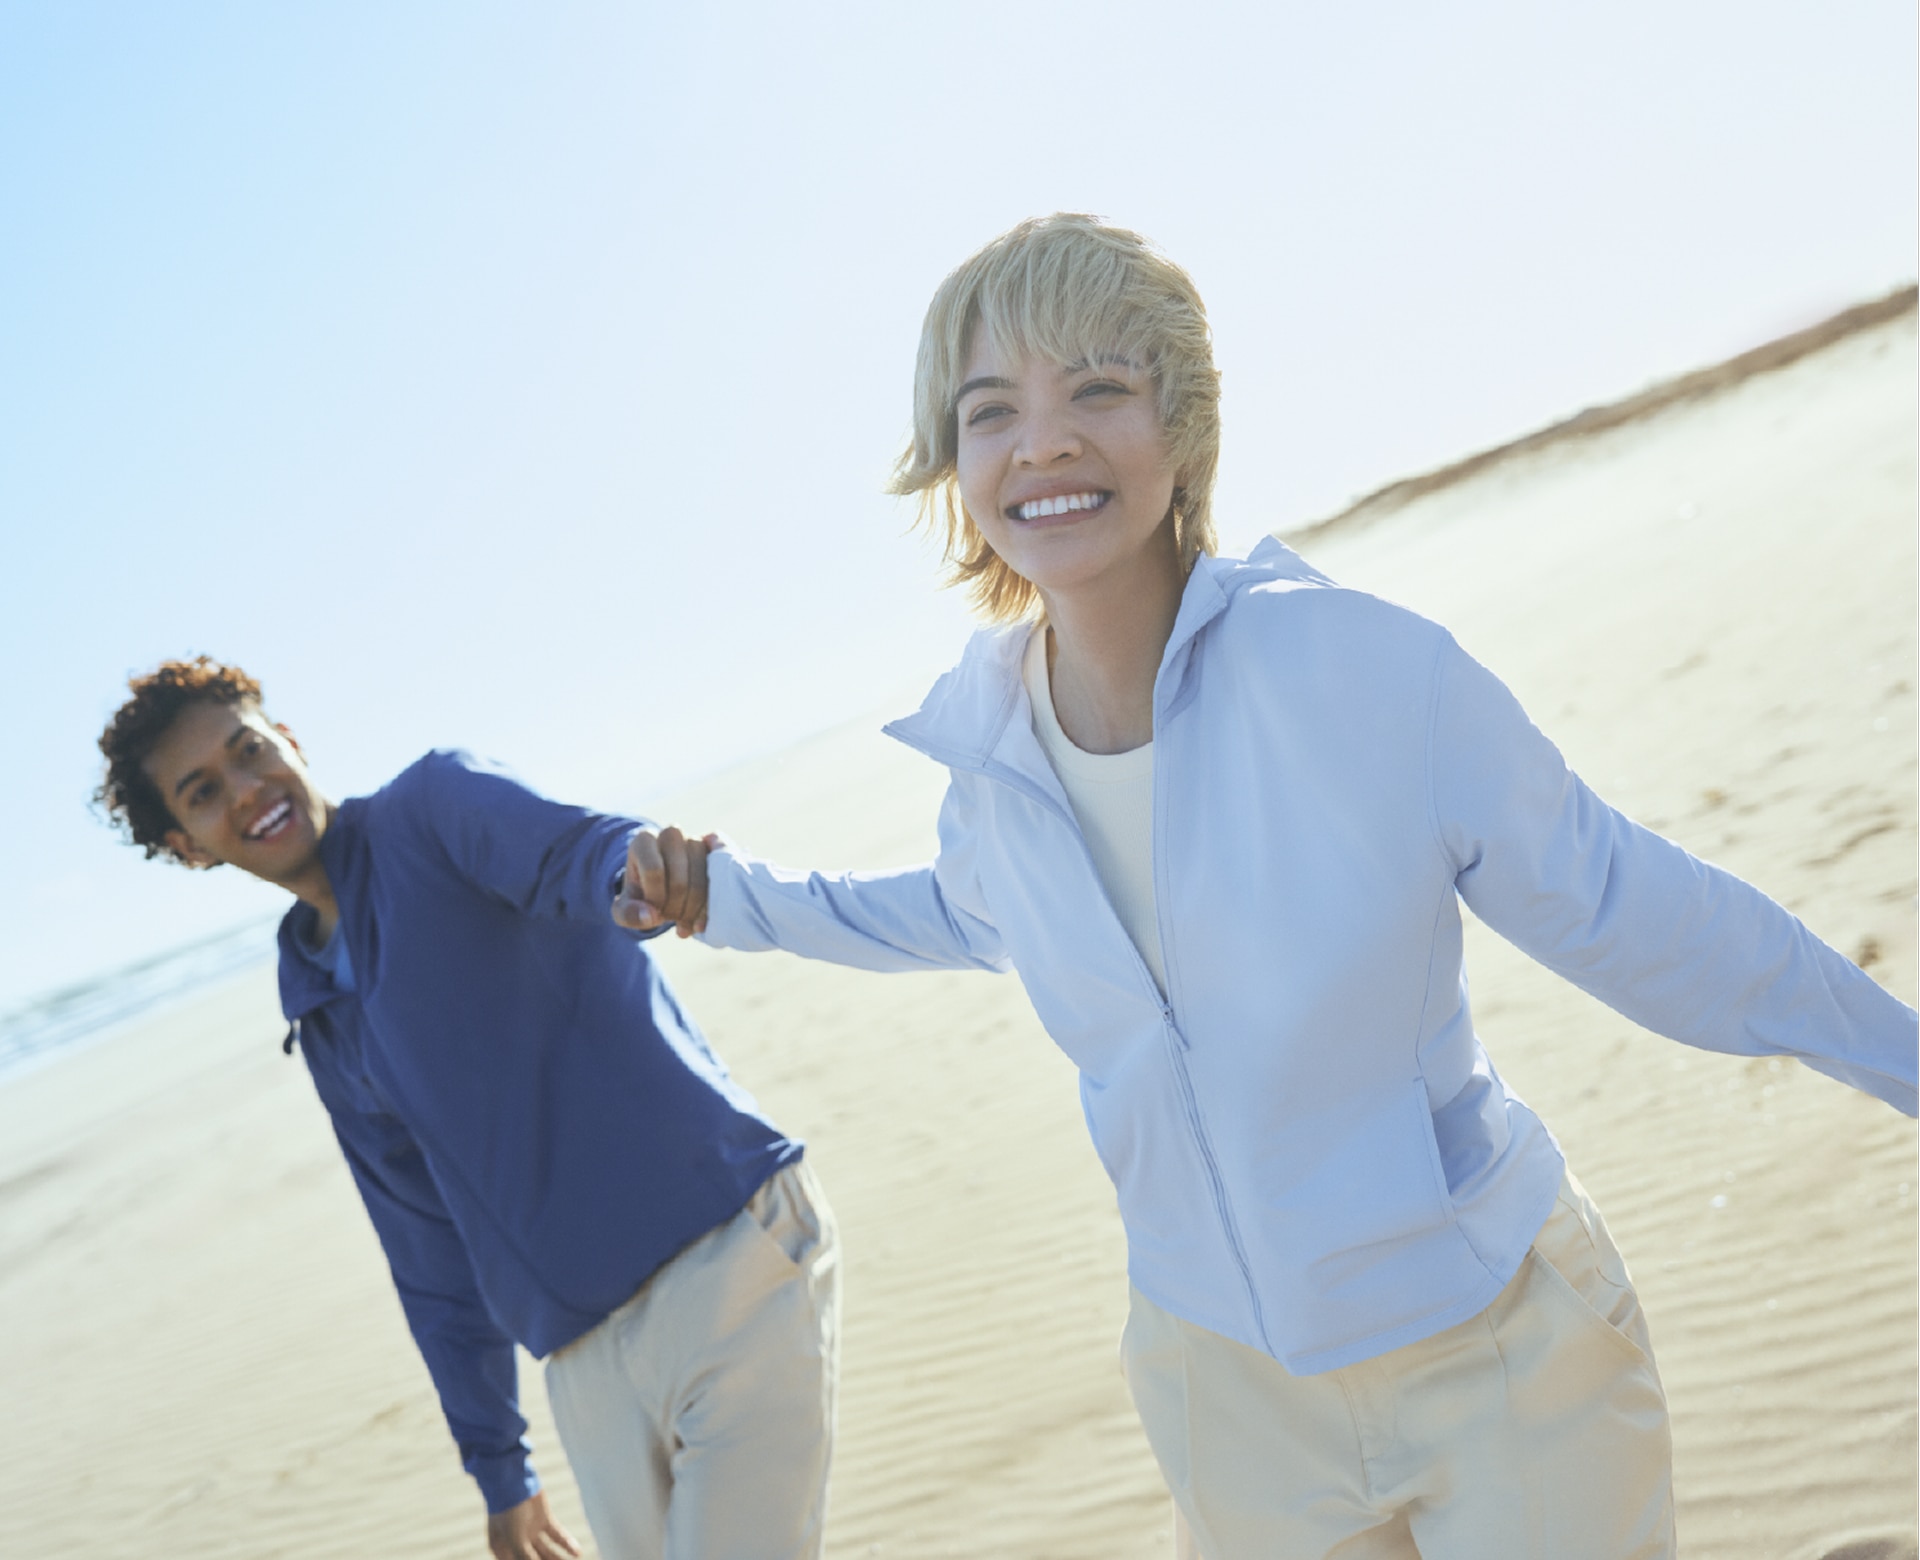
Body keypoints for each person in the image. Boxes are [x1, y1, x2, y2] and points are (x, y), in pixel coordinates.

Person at [615, 214, 1919, 1559]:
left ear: (1182, 426)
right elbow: (950, 913)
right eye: (990, 410)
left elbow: (1636, 911)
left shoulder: (1367, 673)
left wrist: (1905, 1059)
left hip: (1497, 1340)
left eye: (1097, 389)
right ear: (954, 463)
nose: (1042, 444)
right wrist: (727, 899)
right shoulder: (990, 760)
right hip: (1226, 1397)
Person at [96, 658, 840, 1560]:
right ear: (189, 846)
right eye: (204, 792)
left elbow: (575, 853)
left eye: (249, 750)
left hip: (727, 1258)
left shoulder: (432, 811)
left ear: (287, 740)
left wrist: (638, 871)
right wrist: (499, 1466)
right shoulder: (317, 1004)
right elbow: (425, 1246)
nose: (247, 788)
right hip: (585, 1360)